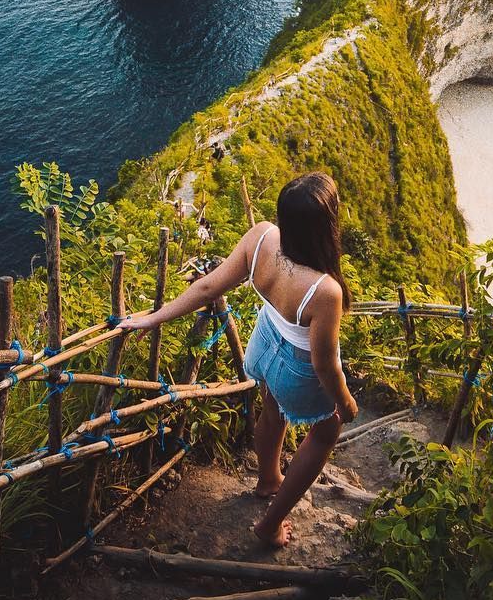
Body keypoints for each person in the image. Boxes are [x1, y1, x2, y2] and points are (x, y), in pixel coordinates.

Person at [119, 171, 358, 547]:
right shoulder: (325, 291)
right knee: (326, 432)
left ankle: (267, 479)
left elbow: (207, 286)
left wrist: (151, 318)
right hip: (296, 365)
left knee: (272, 408)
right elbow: (324, 365)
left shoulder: (262, 237)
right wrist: (345, 401)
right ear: (326, 227)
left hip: (263, 345)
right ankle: (270, 525)